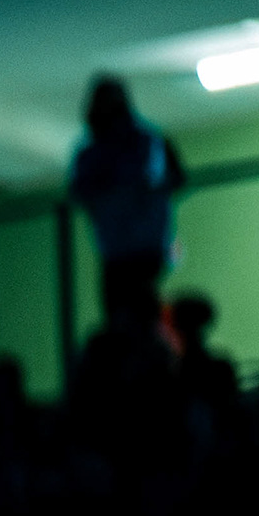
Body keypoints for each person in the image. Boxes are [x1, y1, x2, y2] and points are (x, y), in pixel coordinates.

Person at [66, 75, 183, 341]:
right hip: (125, 250)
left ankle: (143, 349)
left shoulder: (147, 142)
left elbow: (175, 178)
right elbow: (79, 192)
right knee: (125, 318)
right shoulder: (96, 151)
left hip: (135, 248)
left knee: (130, 316)